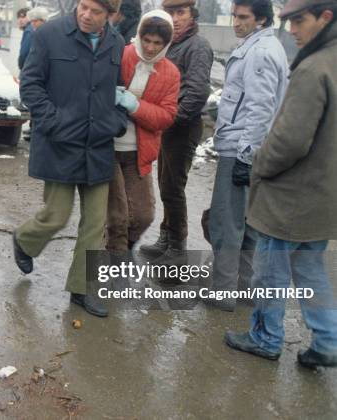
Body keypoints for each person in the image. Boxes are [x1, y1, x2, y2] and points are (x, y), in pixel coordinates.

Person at [224, 0, 337, 369]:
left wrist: (258, 165)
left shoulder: (314, 67)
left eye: (299, 21)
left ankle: (266, 337)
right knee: (309, 267)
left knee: (269, 270)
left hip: (291, 195)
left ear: (326, 17)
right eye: (288, 22)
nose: (292, 31)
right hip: (323, 192)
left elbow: (289, 140)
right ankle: (328, 339)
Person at [12, 0, 126, 318]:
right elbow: (31, 84)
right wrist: (54, 121)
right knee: (57, 215)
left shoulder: (116, 43)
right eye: (83, 6)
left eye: (96, 11)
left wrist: (114, 121)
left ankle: (82, 287)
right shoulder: (49, 34)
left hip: (98, 144)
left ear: (110, 16)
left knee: (95, 222)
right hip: (61, 143)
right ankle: (24, 240)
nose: (87, 15)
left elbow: (117, 88)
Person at [202, 0, 289, 311]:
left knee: (227, 223)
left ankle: (222, 290)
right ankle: (242, 286)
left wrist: (245, 154)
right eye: (235, 16)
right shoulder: (264, 47)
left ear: (261, 20)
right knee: (247, 223)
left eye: (243, 17)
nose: (236, 23)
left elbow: (261, 107)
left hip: (241, 148)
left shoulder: (260, 53)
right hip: (250, 148)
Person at [138, 0, 213, 267]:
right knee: (165, 184)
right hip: (165, 126)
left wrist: (167, 119)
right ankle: (165, 238)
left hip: (181, 126)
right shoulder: (169, 44)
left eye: (181, 12)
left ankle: (177, 248)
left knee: (173, 188)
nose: (175, 18)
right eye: (170, 12)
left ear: (192, 15)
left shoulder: (197, 46)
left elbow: (196, 93)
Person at [106, 10, 180, 260]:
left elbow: (166, 116)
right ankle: (115, 266)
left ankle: (120, 249)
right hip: (107, 146)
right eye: (146, 39)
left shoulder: (170, 73)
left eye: (157, 43)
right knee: (117, 217)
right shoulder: (121, 55)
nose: (150, 47)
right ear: (138, 35)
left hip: (139, 151)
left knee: (143, 215)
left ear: (166, 44)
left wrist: (134, 105)